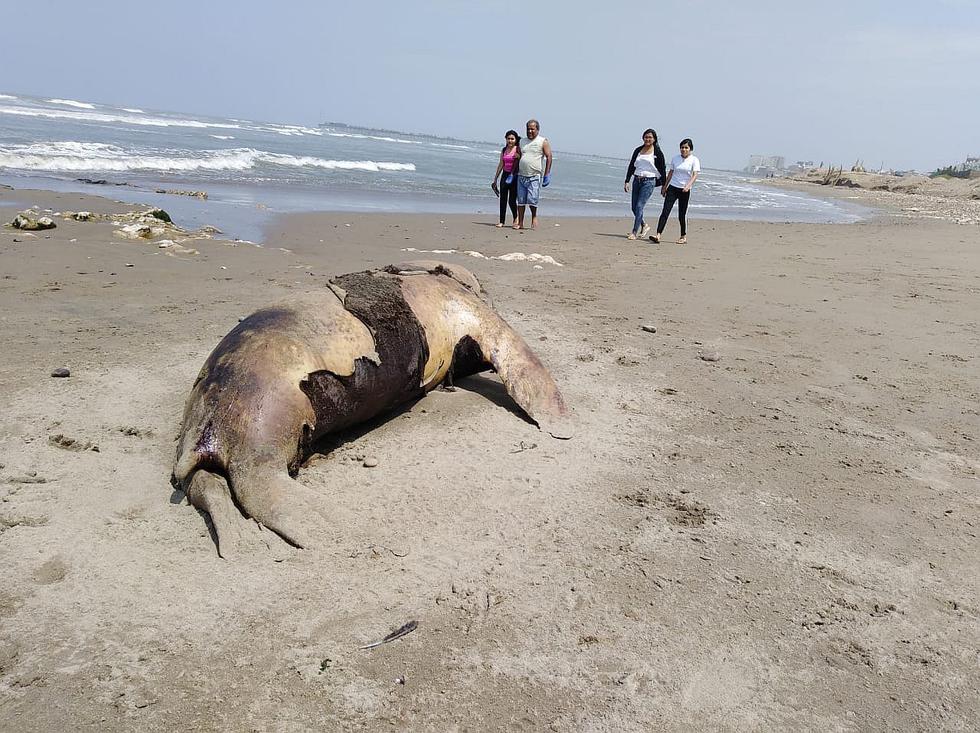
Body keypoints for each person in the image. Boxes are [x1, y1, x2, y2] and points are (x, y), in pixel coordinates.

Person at [651, 138, 700, 245]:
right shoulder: (675, 159)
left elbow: (695, 175)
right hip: (673, 188)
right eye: (682, 147)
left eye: (686, 148)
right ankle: (658, 234)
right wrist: (664, 186)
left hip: (684, 190)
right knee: (665, 211)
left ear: (690, 149)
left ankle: (683, 236)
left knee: (681, 214)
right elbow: (671, 173)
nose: (683, 149)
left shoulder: (694, 160)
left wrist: (688, 186)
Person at [623, 128, 666, 240]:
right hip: (637, 180)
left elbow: (663, 169)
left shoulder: (657, 153)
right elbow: (632, 165)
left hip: (649, 182)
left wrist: (664, 186)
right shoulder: (638, 150)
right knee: (634, 207)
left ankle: (634, 232)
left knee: (639, 206)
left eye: (650, 137)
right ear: (643, 138)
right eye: (646, 137)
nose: (648, 139)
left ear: (654, 139)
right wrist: (627, 180)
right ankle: (644, 225)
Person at [516, 119, 553, 230]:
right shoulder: (522, 141)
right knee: (521, 200)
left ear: (537, 129)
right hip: (521, 175)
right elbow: (519, 156)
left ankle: (534, 217)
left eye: (532, 129)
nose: (530, 131)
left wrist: (546, 174)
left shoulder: (542, 141)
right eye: (528, 129)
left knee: (532, 199)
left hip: (534, 176)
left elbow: (549, 157)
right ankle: (521, 223)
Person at [491, 130, 521, 228]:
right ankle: (502, 221)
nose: (510, 141)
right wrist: (495, 178)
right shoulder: (504, 150)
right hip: (505, 175)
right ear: (506, 139)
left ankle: (515, 218)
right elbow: (501, 164)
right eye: (508, 139)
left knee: (512, 200)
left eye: (512, 139)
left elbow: (523, 162)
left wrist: (519, 157)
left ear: (515, 140)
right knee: (502, 199)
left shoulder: (518, 149)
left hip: (514, 176)